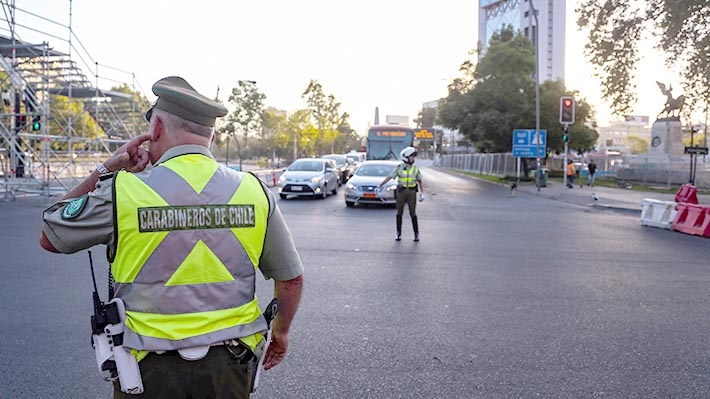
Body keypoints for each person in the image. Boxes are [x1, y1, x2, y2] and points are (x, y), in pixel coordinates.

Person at [39, 76, 304, 399]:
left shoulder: (124, 191)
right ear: (211, 135)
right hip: (230, 368)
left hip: (147, 371)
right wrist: (281, 332)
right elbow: (290, 279)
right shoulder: (253, 190)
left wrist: (107, 168)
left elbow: (52, 233)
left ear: (157, 128)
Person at [377, 146, 424, 242]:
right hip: (401, 192)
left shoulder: (415, 169)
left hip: (411, 192)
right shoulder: (399, 168)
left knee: (413, 213)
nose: (413, 158)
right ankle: (398, 233)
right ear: (406, 157)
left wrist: (422, 193)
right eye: (411, 156)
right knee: (399, 213)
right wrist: (380, 185)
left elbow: (420, 180)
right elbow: (390, 177)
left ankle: (416, 233)